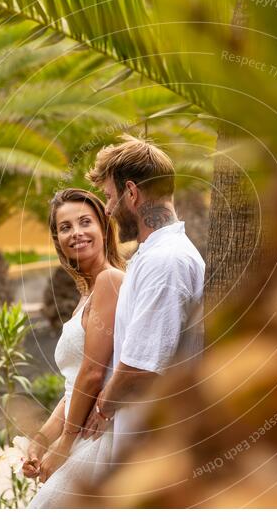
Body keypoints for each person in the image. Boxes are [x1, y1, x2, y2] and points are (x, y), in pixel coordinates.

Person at [81, 134, 205, 460]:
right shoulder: (153, 255)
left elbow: (142, 366)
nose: (107, 209)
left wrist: (101, 412)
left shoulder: (167, 261)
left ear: (132, 193)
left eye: (109, 197)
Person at [24, 188, 125, 508]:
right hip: (78, 432)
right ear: (57, 239)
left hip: (94, 438)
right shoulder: (88, 294)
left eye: (85, 222)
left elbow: (94, 374)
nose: (76, 233)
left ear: (104, 227)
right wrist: (41, 440)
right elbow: (73, 386)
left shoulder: (110, 281)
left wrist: (65, 443)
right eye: (65, 227)